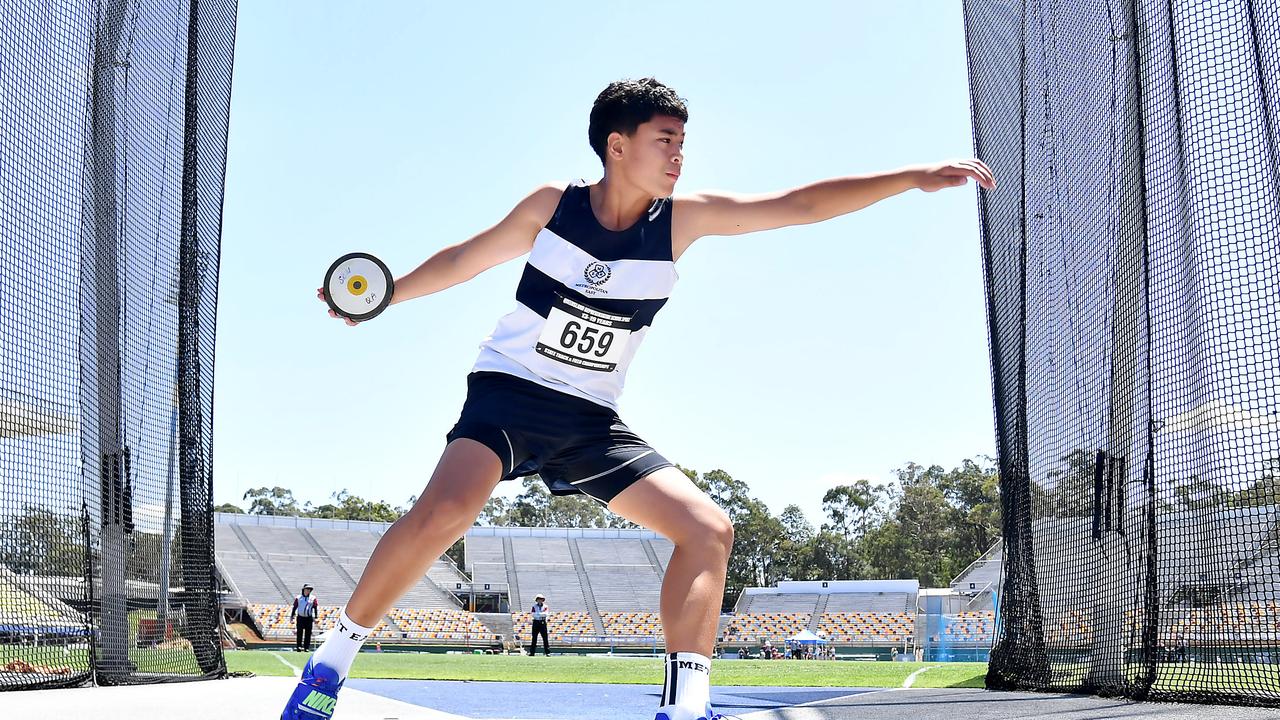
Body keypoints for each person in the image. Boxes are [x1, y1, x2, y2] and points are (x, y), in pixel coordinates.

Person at [281, 77, 994, 720]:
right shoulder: (551, 206)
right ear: (617, 146)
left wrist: (912, 177)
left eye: (683, 142)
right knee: (446, 511)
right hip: (510, 394)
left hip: (591, 420)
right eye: (665, 141)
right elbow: (467, 259)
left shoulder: (679, 222)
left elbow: (799, 205)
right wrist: (384, 292)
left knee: (709, 529)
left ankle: (685, 707)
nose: (679, 154)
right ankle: (330, 664)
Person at [290, 584, 318, 652]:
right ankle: (299, 646)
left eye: (309, 589)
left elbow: (315, 608)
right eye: (307, 589)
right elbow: (295, 607)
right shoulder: (299, 598)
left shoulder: (313, 598)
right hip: (300, 617)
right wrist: (292, 616)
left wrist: (316, 617)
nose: (308, 591)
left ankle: (306, 647)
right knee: (299, 632)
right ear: (303, 590)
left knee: (308, 633)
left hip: (308, 618)